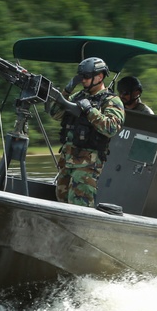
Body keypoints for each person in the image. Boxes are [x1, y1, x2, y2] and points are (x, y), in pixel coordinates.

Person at [46, 57, 125, 207]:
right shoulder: (78, 97)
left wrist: (90, 110)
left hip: (87, 166)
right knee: (61, 202)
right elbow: (55, 113)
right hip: (67, 162)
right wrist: (67, 91)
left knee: (79, 206)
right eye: (82, 76)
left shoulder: (112, 101)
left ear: (100, 77)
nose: (83, 80)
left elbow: (111, 128)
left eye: (87, 76)